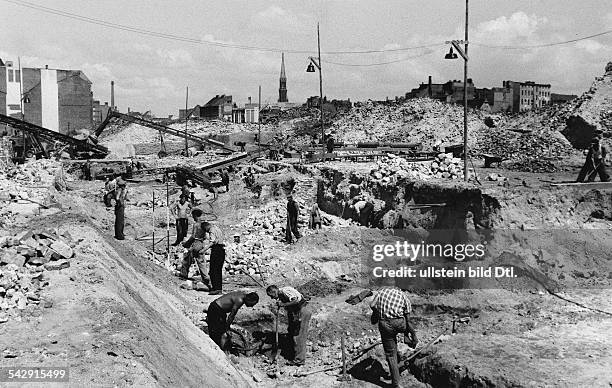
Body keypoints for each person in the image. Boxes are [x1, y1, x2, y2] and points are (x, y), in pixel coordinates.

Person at [370, 287, 418, 388]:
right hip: (399, 324)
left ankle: (396, 384)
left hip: (385, 325)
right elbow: (408, 321)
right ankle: (406, 338)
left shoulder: (380, 292)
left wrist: (376, 313)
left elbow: (372, 304)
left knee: (391, 355)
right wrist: (414, 336)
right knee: (405, 323)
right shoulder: (403, 296)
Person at [267, 285, 311, 366]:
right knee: (291, 332)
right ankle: (293, 354)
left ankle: (299, 360)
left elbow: (295, 301)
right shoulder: (281, 295)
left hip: (302, 311)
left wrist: (283, 304)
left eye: (271, 296)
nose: (272, 298)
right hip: (297, 313)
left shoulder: (285, 291)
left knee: (299, 336)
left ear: (274, 291)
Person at [180, 209, 210, 287]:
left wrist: (187, 244)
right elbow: (206, 236)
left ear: (195, 215)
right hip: (201, 244)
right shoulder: (204, 224)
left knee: (187, 259)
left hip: (196, 243)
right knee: (201, 262)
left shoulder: (196, 225)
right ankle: (205, 277)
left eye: (193, 215)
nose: (192, 217)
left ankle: (184, 274)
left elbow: (193, 236)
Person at [200, 221, 226, 295]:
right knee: (218, 270)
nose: (206, 232)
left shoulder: (211, 230)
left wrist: (204, 250)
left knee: (213, 270)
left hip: (216, 250)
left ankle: (216, 288)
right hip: (221, 250)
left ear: (205, 227)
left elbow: (212, 241)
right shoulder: (216, 228)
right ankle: (218, 288)